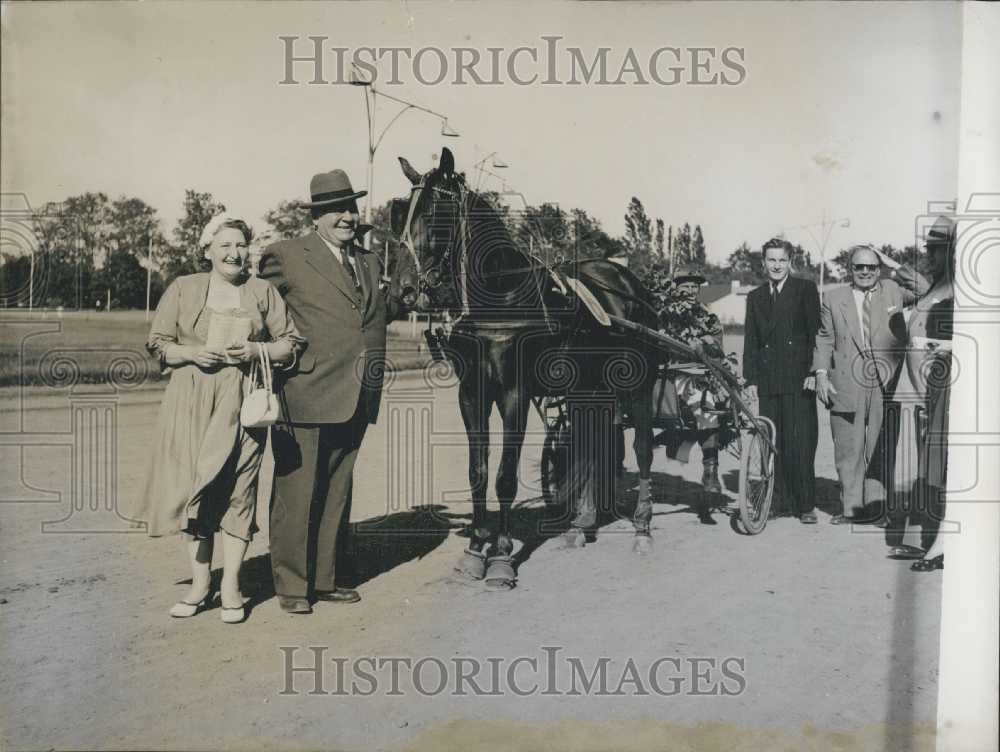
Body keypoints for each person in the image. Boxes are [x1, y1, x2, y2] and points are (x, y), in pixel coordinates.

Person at [135, 213, 302, 624]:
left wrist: (255, 351)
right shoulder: (184, 288)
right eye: (225, 244)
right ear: (207, 249)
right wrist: (191, 353)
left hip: (245, 403)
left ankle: (231, 586)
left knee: (240, 491)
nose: (234, 252)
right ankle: (199, 584)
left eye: (241, 244)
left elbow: (290, 343)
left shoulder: (262, 291)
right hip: (190, 401)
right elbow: (159, 345)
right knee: (196, 490)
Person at [259, 169, 401, 614]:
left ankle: (326, 577)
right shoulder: (285, 255)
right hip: (306, 389)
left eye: (351, 208)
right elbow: (257, 306)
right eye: (335, 209)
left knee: (338, 489)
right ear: (315, 216)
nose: (346, 216)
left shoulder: (369, 260)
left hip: (358, 390)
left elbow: (374, 315)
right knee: (297, 492)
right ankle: (293, 586)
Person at [813, 244, 927, 525]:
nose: (865, 272)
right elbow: (825, 339)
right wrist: (821, 375)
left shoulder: (892, 290)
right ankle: (851, 508)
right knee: (848, 449)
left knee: (881, 447)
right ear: (849, 269)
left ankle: (877, 509)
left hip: (886, 383)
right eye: (859, 267)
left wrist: (891, 262)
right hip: (845, 381)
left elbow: (925, 289)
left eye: (871, 267)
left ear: (878, 269)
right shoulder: (832, 297)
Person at [880, 218, 952, 570]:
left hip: (939, 391)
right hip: (916, 389)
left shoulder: (955, 291)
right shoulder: (935, 287)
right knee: (921, 465)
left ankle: (935, 540)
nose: (930, 256)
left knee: (939, 467)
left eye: (936, 250)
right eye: (930, 249)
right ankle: (921, 537)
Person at [743, 238, 821, 523]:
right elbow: (751, 341)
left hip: (799, 380)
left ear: (791, 262)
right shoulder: (756, 297)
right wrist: (751, 379)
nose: (776, 266)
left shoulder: (805, 290)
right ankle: (775, 501)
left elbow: (817, 335)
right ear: (763, 263)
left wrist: (815, 372)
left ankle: (806, 505)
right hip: (767, 381)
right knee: (770, 443)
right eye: (771, 260)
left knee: (800, 443)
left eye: (782, 260)